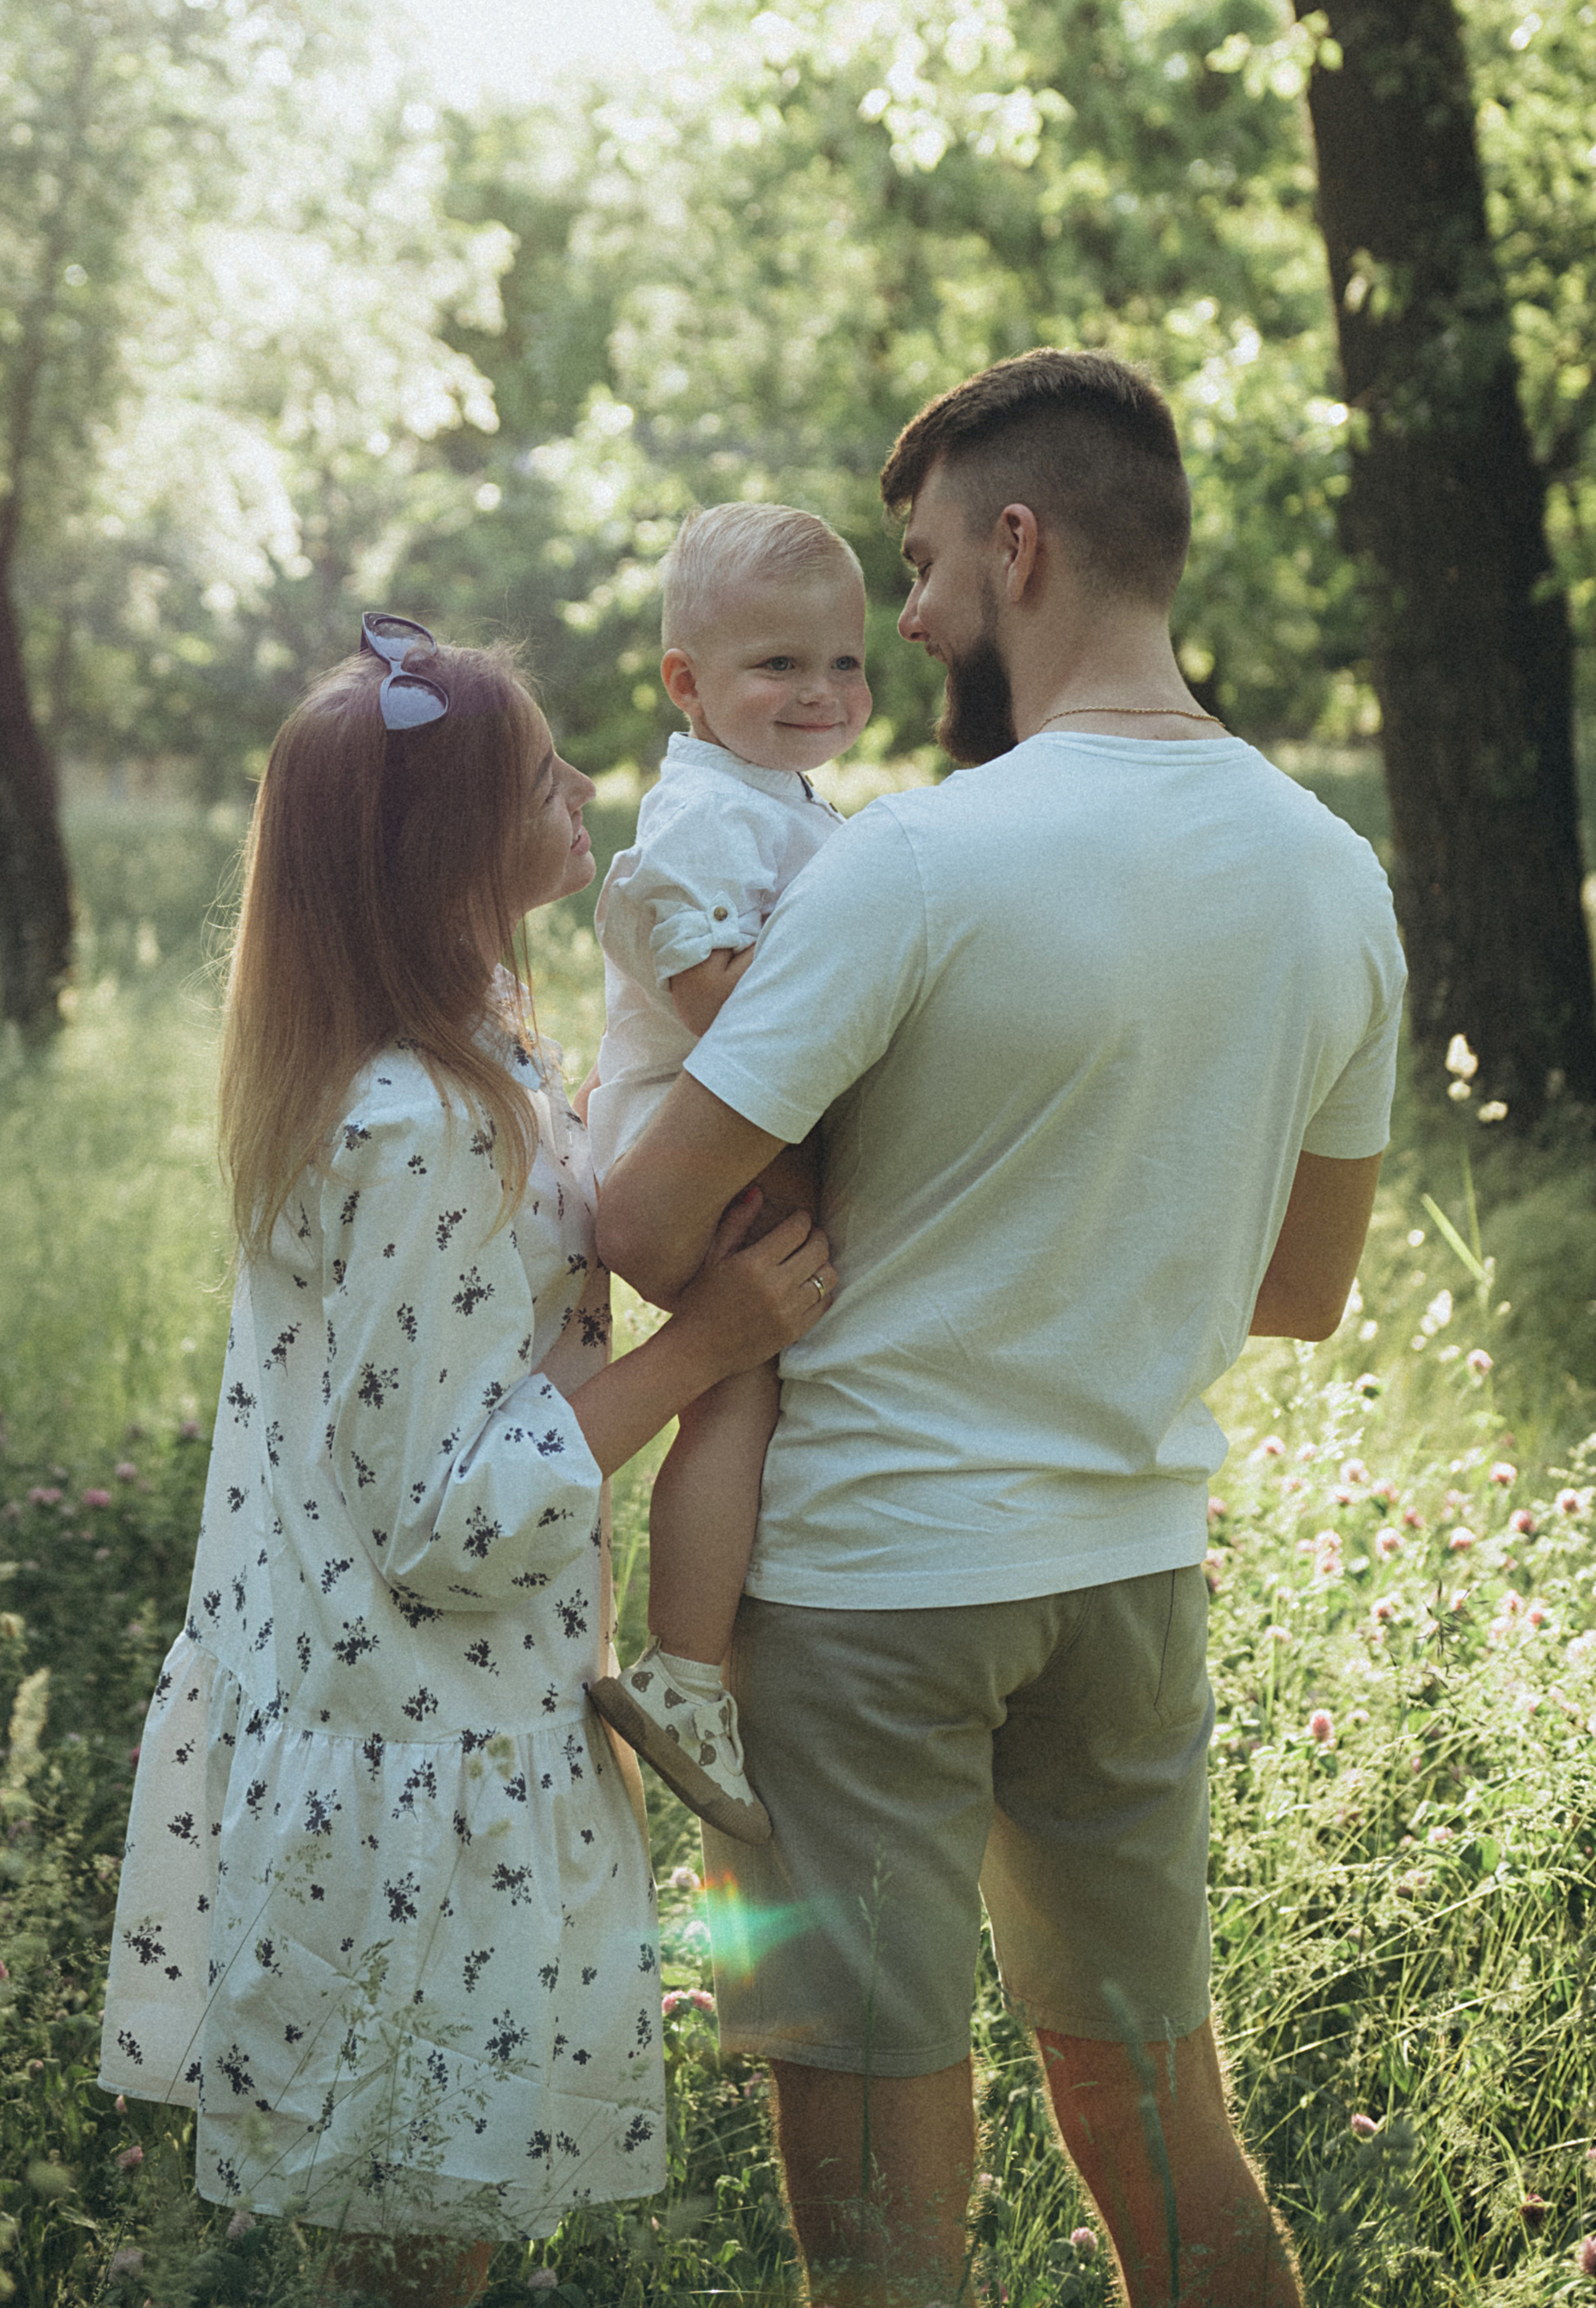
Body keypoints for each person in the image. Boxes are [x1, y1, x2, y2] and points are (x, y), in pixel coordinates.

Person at [596, 352, 1406, 2308]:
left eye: (927, 564)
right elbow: (1299, 1293)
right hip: (1127, 1574)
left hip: (868, 1583)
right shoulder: (1332, 873)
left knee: (878, 2187)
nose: (913, 617)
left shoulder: (909, 859)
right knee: (1150, 2098)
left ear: (1018, 544)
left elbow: (639, 1217)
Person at [97, 616, 833, 2307]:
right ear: (445, 848)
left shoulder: (460, 1043)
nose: (583, 786)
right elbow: (445, 1512)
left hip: (411, 1722)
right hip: (416, 1759)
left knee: (427, 2242)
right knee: (414, 2254)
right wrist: (700, 1347)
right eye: (535, 777)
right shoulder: (417, 1123)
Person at [581, 504, 873, 1839]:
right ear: (686, 684)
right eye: (777, 666)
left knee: (753, 1389)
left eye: (844, 665)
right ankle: (682, 1675)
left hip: (723, 1131)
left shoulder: (778, 800)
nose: (819, 694)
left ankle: (705, 1659)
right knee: (734, 1393)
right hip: (684, 1137)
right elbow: (726, 1003)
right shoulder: (700, 811)